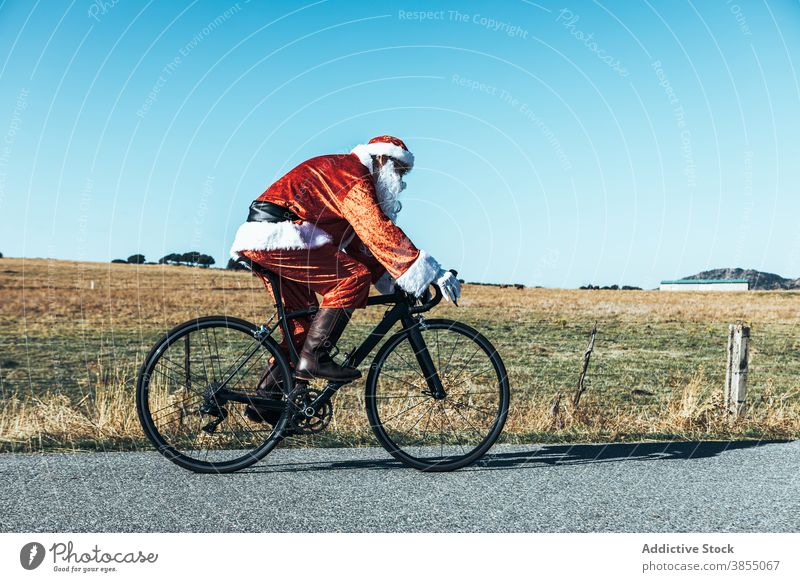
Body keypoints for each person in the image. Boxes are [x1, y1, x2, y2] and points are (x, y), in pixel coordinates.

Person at [229, 135, 460, 424]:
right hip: (279, 237)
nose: (400, 182)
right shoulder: (351, 175)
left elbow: (361, 247)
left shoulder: (349, 176)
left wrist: (404, 282)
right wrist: (431, 271)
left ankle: (265, 402)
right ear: (381, 161)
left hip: (275, 238)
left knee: (302, 327)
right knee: (352, 278)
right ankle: (315, 359)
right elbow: (377, 229)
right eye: (398, 171)